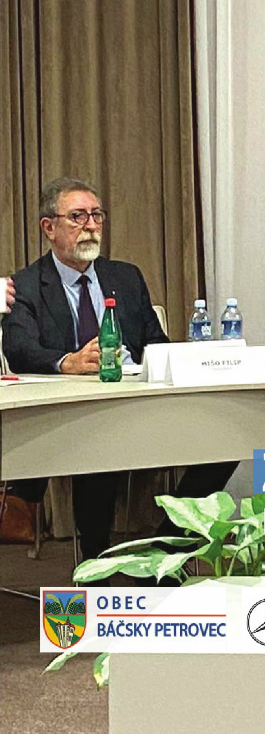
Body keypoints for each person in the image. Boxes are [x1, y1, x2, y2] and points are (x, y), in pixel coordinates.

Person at [1, 177, 237, 560]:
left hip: (140, 404)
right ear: (49, 227)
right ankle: (96, 562)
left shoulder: (125, 277)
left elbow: (156, 343)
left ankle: (166, 550)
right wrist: (67, 362)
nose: (91, 225)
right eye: (77, 216)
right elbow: (19, 348)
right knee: (100, 438)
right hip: (73, 418)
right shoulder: (26, 285)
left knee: (227, 439)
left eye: (97, 215)